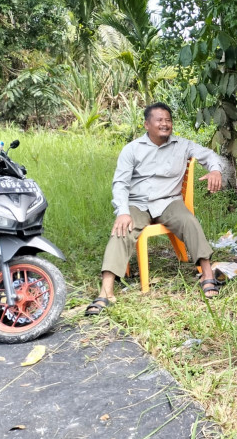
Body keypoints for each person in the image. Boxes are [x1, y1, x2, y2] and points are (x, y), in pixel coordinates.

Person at [85, 103, 224, 315]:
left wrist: (215, 170)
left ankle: (207, 274)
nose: (165, 124)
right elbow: (120, 184)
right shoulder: (132, 149)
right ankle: (106, 291)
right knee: (123, 228)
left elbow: (209, 155)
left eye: (168, 120)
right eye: (159, 120)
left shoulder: (182, 145)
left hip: (169, 201)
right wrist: (123, 211)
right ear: (146, 124)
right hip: (138, 203)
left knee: (189, 221)